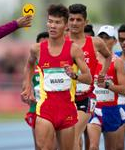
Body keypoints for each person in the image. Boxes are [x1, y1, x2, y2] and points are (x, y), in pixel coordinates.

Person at [21, 4, 92, 150]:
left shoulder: (74, 50)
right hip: (45, 109)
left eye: (57, 22)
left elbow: (88, 78)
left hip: (67, 109)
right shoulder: (37, 49)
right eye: (50, 21)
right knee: (44, 147)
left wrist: (75, 76)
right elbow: (29, 66)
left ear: (66, 25)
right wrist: (27, 85)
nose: (52, 26)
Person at [67, 4, 112, 150]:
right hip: (65, 98)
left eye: (78, 20)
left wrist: (102, 74)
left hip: (86, 98)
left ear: (85, 22)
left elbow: (108, 56)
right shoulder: (61, 42)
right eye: (71, 19)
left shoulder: (95, 42)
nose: (74, 23)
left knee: (72, 135)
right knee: (69, 141)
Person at [87, 25, 125, 150]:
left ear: (114, 41)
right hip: (94, 109)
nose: (103, 40)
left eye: (107, 37)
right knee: (93, 146)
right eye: (101, 37)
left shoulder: (117, 62)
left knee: (115, 147)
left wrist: (108, 85)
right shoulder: (90, 59)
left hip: (111, 110)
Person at [25, 31, 49, 150]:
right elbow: (24, 90)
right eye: (41, 44)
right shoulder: (32, 66)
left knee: (52, 145)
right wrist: (27, 95)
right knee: (39, 146)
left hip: (53, 108)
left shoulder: (58, 63)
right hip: (36, 109)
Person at [115, 24, 125, 150]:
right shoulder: (113, 58)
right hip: (119, 105)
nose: (124, 42)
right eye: (121, 39)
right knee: (118, 146)